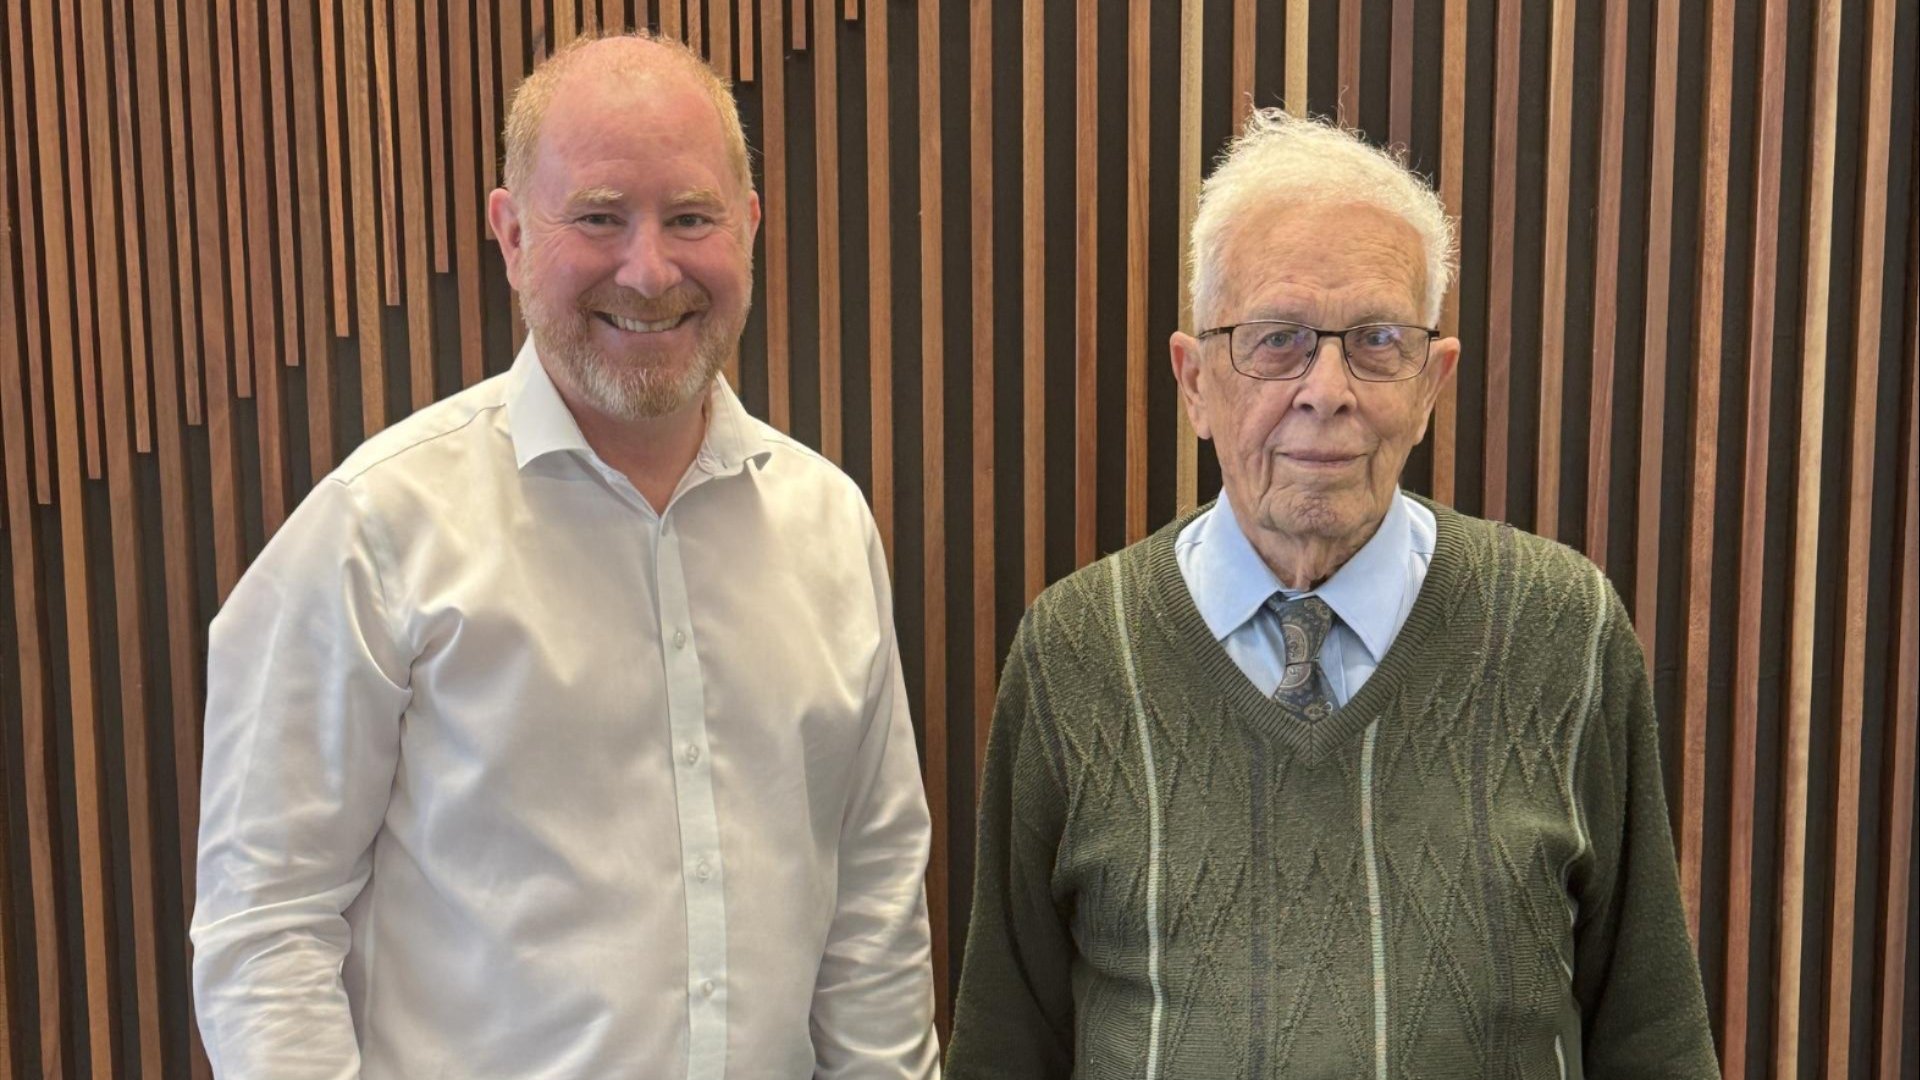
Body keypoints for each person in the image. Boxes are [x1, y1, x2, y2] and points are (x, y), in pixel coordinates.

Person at [192, 32, 939, 1080]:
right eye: (597, 217)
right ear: (511, 235)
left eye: (691, 218)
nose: (650, 269)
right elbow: (265, 925)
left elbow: (872, 905)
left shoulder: (828, 525)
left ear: (750, 228)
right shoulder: (376, 530)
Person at [946, 110, 1718, 1079]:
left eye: (1377, 340)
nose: (1326, 389)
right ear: (1195, 382)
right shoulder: (1075, 651)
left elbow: (1653, 1032)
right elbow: (1005, 1043)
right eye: (1277, 340)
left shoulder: (1564, 629)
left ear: (1432, 383)